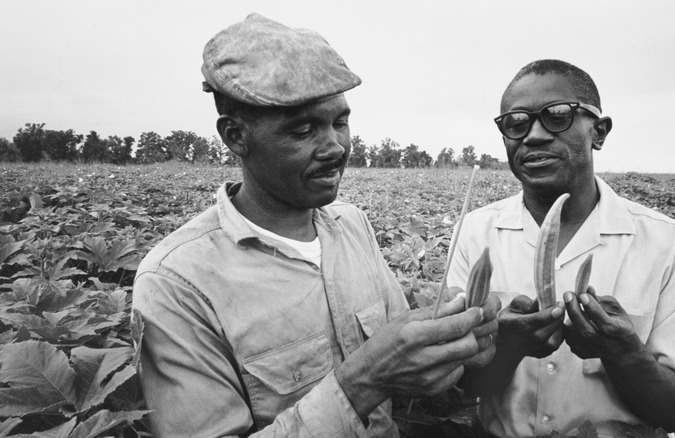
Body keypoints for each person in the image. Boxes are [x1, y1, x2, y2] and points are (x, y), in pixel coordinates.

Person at [132, 13, 499, 438]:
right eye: (304, 130)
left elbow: (408, 359)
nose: (335, 147)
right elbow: (379, 371)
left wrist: (455, 342)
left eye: (340, 123)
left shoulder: (352, 224)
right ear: (235, 136)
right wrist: (363, 382)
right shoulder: (176, 282)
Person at [447, 59, 675, 437]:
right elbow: (464, 386)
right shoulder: (473, 233)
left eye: (557, 116)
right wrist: (507, 347)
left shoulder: (670, 245)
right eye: (516, 122)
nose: (534, 135)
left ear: (599, 132)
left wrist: (623, 353)